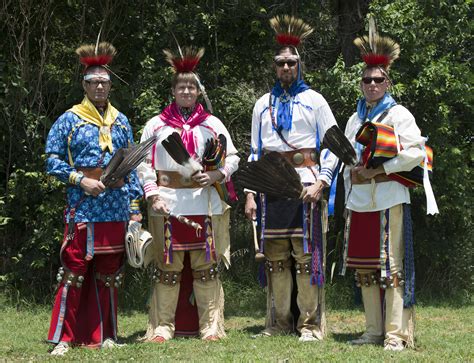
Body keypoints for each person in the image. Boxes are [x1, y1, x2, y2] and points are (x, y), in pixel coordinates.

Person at [341, 18, 437, 351]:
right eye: (366, 80)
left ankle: (395, 334)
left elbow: (417, 153)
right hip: (359, 202)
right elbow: (346, 153)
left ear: (387, 82)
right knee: (366, 268)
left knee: (391, 268)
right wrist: (349, 172)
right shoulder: (354, 118)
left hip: (388, 198)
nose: (371, 85)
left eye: (377, 80)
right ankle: (372, 330)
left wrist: (378, 173)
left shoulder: (398, 115)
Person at [244, 15, 339, 342]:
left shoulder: (315, 101)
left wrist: (322, 182)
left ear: (300, 65)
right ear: (274, 66)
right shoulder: (261, 105)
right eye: (281, 63)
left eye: (291, 63)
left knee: (304, 258)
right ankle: (278, 323)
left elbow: (335, 146)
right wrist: (249, 193)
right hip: (271, 189)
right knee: (275, 259)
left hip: (305, 185)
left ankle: (310, 325)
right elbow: (254, 152)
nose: (286, 68)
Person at [45, 42, 142, 355]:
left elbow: (133, 164)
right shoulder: (69, 120)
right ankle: (64, 338)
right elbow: (52, 160)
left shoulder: (122, 121)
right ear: (84, 86)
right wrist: (81, 180)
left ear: (111, 86)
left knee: (111, 273)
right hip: (83, 206)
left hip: (115, 207)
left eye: (104, 82)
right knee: (73, 270)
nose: (99, 86)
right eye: (93, 82)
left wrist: (135, 207)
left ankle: (107, 334)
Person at [137, 46, 239, 342]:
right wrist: (151, 194)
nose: (186, 90)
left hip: (204, 203)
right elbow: (143, 165)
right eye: (181, 85)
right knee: (167, 268)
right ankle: (162, 327)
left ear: (198, 91)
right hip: (165, 203)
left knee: (205, 268)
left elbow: (233, 157)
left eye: (191, 86)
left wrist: (218, 174)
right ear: (173, 90)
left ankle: (210, 327)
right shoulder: (155, 126)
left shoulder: (212, 124)